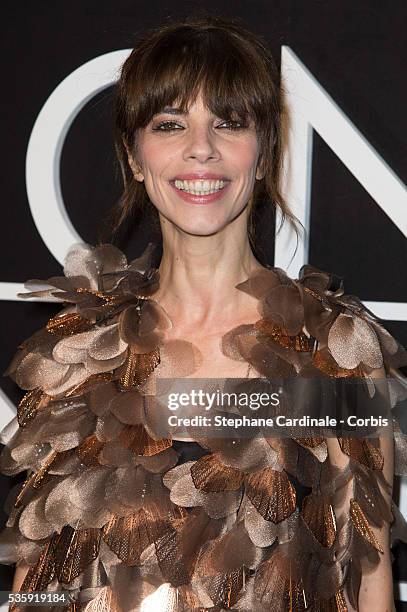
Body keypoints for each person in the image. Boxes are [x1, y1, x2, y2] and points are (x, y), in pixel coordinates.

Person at [1, 14, 406, 612]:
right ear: (135, 158)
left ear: (264, 154)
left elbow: (370, 587)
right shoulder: (83, 355)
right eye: (170, 124)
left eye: (229, 123)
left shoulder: (336, 354)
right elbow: (39, 590)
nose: (200, 149)